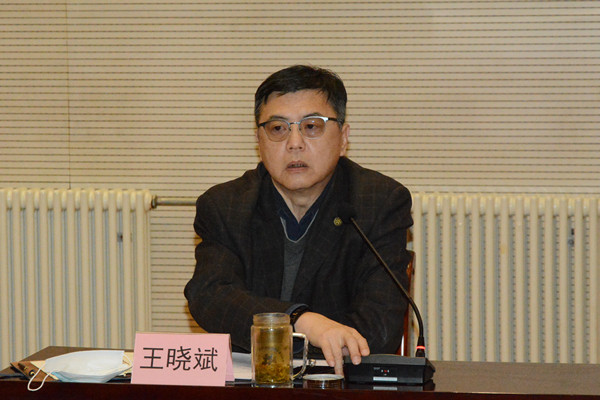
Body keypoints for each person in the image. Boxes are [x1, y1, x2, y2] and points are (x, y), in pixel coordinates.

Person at [184, 65, 413, 375]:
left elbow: (380, 328)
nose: (294, 143)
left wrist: (278, 334)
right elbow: (211, 297)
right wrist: (300, 321)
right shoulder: (225, 205)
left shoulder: (379, 203)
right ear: (259, 140)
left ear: (343, 138)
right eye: (278, 128)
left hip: (337, 384)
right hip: (250, 384)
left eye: (311, 126)